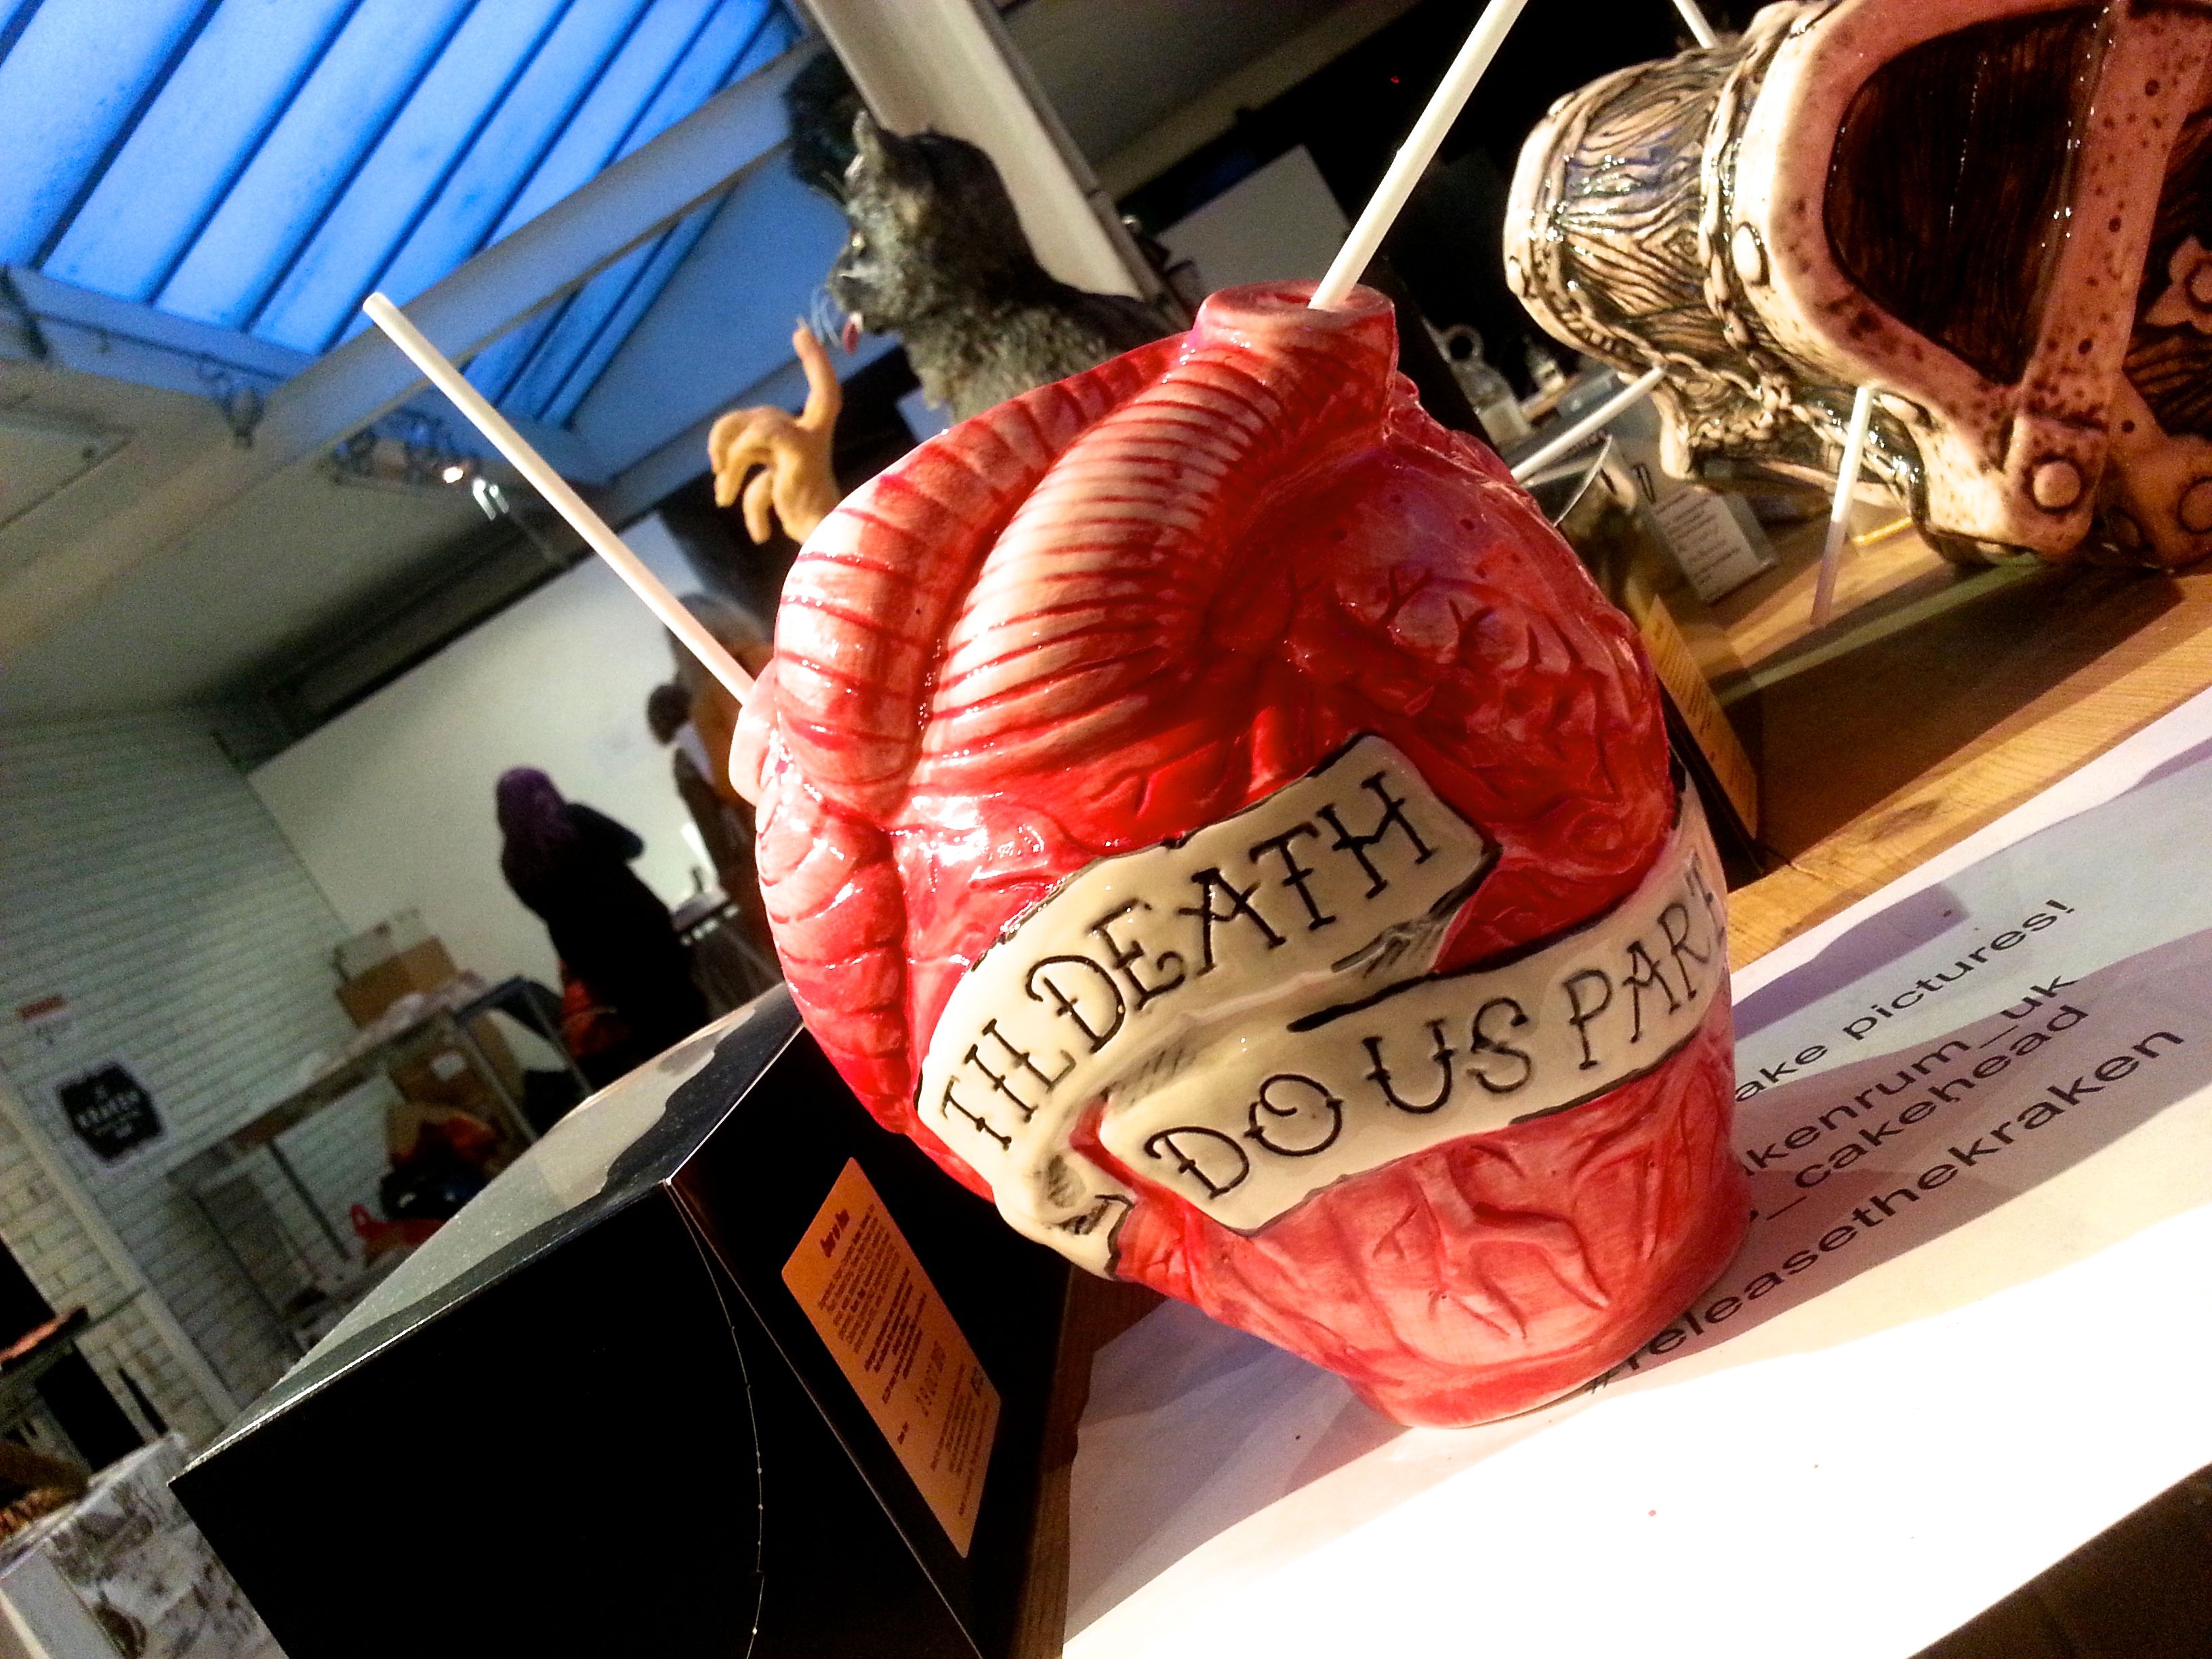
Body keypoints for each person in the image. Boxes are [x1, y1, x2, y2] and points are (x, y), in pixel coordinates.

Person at [494, 769, 707, 1088]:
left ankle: (691, 1090)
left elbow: (539, 909)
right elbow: (634, 845)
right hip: (640, 926)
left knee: (646, 1024)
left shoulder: (512, 861)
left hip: (589, 955)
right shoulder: (575, 819)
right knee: (684, 1005)